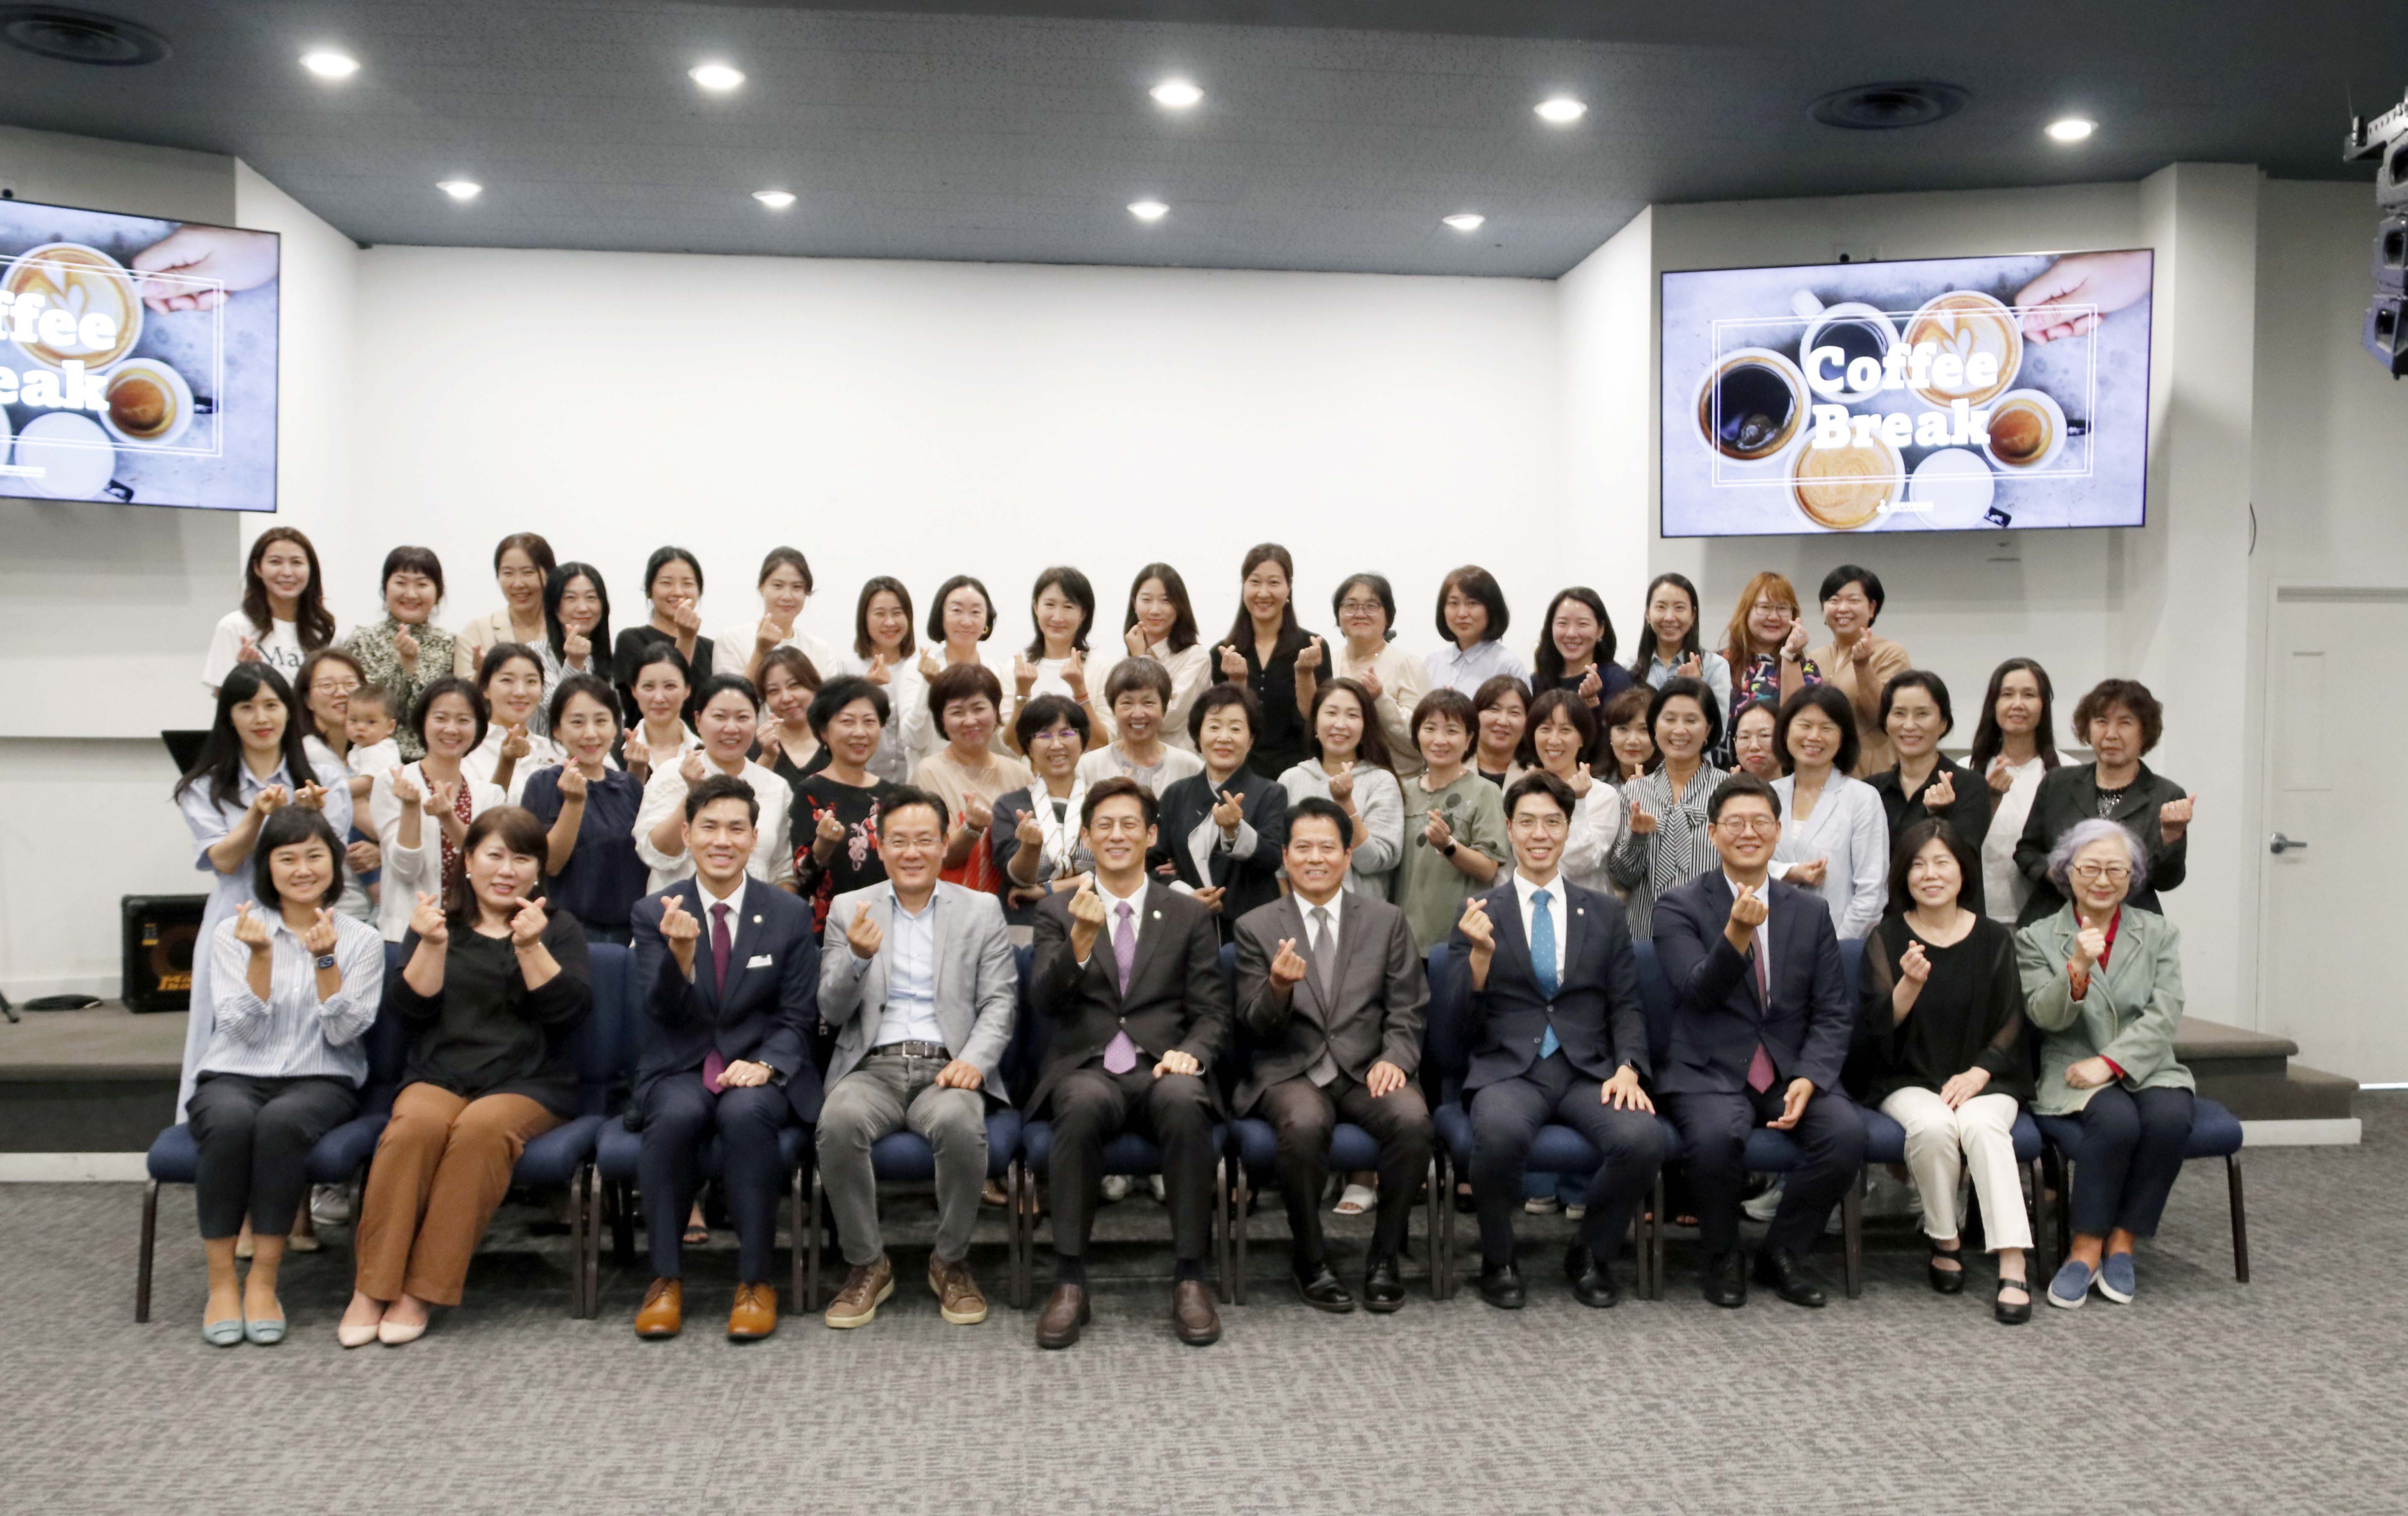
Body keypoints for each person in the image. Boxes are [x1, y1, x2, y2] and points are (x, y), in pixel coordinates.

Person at [339, 807, 591, 1347]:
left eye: (522, 858)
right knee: (413, 1128)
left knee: (480, 1130)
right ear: (469, 860)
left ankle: (421, 1290)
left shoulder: (558, 927)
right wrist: (431, 946)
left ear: (538, 870)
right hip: (440, 1072)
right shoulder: (436, 923)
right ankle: (371, 1287)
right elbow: (408, 1013)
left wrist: (530, 947)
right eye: (494, 855)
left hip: (528, 1080)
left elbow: (568, 1015)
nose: (507, 870)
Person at [1028, 779, 1233, 1349]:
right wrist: (1079, 941)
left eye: (1128, 825)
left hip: (1163, 1064)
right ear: (1088, 837)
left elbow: (1211, 1010)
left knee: (1186, 1100)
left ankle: (1191, 1275)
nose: (1116, 835)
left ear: (1150, 835)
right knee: (1079, 1102)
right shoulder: (1056, 911)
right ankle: (1069, 1279)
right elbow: (1044, 1002)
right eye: (1104, 825)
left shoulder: (1187, 914)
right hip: (1089, 1065)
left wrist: (1192, 1053)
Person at [1449, 772, 1665, 1311]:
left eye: (1552, 822)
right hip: (1510, 1068)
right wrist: (1478, 960)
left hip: (1588, 1068)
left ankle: (1591, 1252)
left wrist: (1629, 1066)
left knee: (1642, 1138)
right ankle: (1498, 1259)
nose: (1539, 834)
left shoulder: (1606, 913)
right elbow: (1454, 1022)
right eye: (1527, 822)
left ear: (1568, 829)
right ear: (1509, 829)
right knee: (1497, 1134)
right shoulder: (1479, 912)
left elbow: (1626, 1003)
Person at [1652, 773, 1865, 1309]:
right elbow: (1696, 992)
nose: (1748, 832)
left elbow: (1832, 1009)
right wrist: (1736, 935)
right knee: (1714, 1138)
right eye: (1734, 823)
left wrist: (1811, 1075)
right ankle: (1722, 1255)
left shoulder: (1809, 910)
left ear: (1776, 830)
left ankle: (1783, 1251)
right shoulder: (1678, 905)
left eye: (1760, 822)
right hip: (1708, 1065)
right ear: (1712, 833)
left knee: (1844, 1136)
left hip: (1788, 1066)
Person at [815, 786, 1018, 1331]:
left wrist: (975, 1060)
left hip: (947, 1066)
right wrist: (857, 958)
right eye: (899, 841)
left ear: (944, 844)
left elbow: (1000, 1000)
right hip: (872, 1067)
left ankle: (949, 1261)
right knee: (837, 1122)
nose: (912, 852)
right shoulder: (849, 909)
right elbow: (830, 1009)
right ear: (881, 848)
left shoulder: (980, 910)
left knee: (960, 1124)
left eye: (924, 840)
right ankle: (867, 1264)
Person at [627, 774, 822, 1342]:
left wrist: (767, 1065)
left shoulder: (787, 913)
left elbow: (798, 1014)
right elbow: (660, 1011)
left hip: (758, 1063)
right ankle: (665, 1278)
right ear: (687, 834)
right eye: (709, 827)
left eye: (736, 828)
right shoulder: (653, 910)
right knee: (676, 1114)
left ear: (755, 838)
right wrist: (680, 955)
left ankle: (756, 1281)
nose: (722, 840)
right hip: (681, 1062)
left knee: (746, 1113)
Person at [185, 806, 381, 1345]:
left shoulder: (362, 939)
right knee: (229, 1122)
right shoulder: (234, 932)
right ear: (267, 867)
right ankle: (221, 1283)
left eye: (315, 856)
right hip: (234, 1072)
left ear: (334, 863)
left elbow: (344, 1033)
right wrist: (261, 958)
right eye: (287, 858)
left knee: (280, 1123)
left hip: (320, 1078)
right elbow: (242, 1030)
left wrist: (325, 962)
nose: (302, 869)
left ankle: (263, 1282)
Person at [1233, 797, 1432, 1312]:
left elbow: (1408, 1006)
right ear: (1285, 856)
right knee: (1303, 1123)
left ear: (1347, 855)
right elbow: (1253, 1025)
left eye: (1327, 847)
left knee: (1412, 1119)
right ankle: (1310, 1257)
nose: (1315, 858)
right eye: (1303, 848)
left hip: (1367, 1066)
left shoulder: (1386, 920)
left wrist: (1396, 1057)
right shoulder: (1255, 926)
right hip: (1290, 1067)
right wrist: (1278, 988)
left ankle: (1384, 1256)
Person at [1858, 820, 2035, 1325]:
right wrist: (1908, 987)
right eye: (1917, 864)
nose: (1929, 874)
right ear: (1903, 874)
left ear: (1963, 871)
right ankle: (1945, 1238)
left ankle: (2012, 1261)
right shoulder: (1887, 935)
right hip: (1908, 1075)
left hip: (1985, 1076)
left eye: (1942, 862)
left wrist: (1980, 1072)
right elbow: (1875, 1030)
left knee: (1982, 1125)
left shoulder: (1993, 937)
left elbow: (2012, 1018)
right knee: (1933, 1125)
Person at [2017, 819, 2194, 1310]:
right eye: (2090, 867)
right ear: (2066, 871)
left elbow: (2165, 1012)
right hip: (2071, 1064)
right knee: (2115, 1120)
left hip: (2146, 1062)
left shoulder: (2158, 931)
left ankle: (2122, 1241)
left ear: (2133, 875)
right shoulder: (2036, 937)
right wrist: (2076, 967)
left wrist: (2112, 1062)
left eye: (2116, 869)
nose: (2102, 879)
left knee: (2170, 1117)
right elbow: (2042, 1016)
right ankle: (2085, 1248)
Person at [174, 665, 355, 1120]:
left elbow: (329, 864)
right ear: (228, 716)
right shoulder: (204, 785)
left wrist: (310, 818)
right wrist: (257, 815)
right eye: (247, 707)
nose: (261, 718)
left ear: (289, 712)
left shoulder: (324, 776)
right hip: (235, 926)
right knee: (222, 1034)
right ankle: (209, 1131)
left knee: (307, 1034)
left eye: (272, 705)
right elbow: (223, 860)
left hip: (306, 929)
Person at [2014, 677, 2191, 925]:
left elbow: (2167, 881)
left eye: (2125, 723)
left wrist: (2172, 837)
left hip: (2131, 927)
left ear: (2145, 732)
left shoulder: (2165, 795)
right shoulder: (2058, 783)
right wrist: (2059, 874)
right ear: (2088, 728)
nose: (2111, 735)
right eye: (2101, 722)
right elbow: (2027, 852)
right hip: (2054, 920)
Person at [368, 677, 506, 944]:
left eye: (464, 720)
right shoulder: (393, 781)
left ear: (478, 728)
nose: (451, 729)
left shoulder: (490, 794)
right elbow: (406, 870)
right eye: (441, 718)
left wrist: (447, 817)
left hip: (474, 936)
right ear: (423, 722)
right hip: (408, 935)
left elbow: (487, 864)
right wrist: (411, 807)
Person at [634, 674, 795, 894]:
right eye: (720, 717)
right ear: (698, 721)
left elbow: (782, 870)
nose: (731, 728)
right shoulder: (672, 774)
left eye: (743, 718)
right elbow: (655, 854)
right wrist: (693, 793)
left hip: (752, 911)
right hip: (677, 908)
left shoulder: (776, 786)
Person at [1157, 683, 1290, 944]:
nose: (1224, 738)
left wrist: (1235, 831)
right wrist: (1185, 895)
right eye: (1214, 727)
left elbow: (1272, 857)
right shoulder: (1175, 794)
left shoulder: (1271, 793)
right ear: (1198, 736)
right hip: (1186, 932)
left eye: (1236, 729)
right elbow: (1153, 864)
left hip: (1251, 934)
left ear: (1251, 741)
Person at [522, 674, 646, 946]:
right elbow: (550, 865)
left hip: (631, 933)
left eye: (601, 721)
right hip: (569, 935)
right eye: (577, 722)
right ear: (557, 730)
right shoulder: (544, 784)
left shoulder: (629, 786)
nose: (590, 733)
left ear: (616, 728)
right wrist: (574, 803)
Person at [1605, 678, 1727, 940]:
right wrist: (1638, 837)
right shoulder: (1634, 792)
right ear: (1655, 727)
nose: (1679, 730)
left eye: (1691, 720)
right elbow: (1622, 879)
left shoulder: (1729, 791)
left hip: (1713, 935)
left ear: (1708, 729)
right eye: (1670, 719)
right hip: (1646, 933)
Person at [1389, 689, 1507, 950]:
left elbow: (1489, 868)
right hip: (1403, 937)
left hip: (1460, 937)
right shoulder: (1402, 791)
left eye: (1452, 731)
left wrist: (1448, 846)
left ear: (1469, 740)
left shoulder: (1485, 792)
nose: (1439, 740)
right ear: (1417, 735)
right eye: (1430, 729)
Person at [1769, 684, 1887, 941]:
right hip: (1771, 942)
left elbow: (1872, 891)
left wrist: (1837, 949)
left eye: (1827, 728)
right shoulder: (1767, 795)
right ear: (1786, 730)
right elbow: (1743, 867)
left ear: (1843, 737)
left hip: (1839, 942)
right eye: (1805, 725)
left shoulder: (1862, 798)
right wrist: (1789, 872)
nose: (1814, 736)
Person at [1868, 670, 1990, 914]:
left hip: (1952, 922)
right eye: (1899, 713)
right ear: (1886, 722)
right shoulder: (1870, 791)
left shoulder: (1969, 785)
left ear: (1943, 723)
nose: (1909, 725)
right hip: (1886, 923)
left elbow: (1963, 862)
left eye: (1922, 714)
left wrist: (1937, 817)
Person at [791, 677, 905, 936]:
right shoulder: (810, 792)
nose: (860, 732)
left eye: (870, 722)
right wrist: (823, 846)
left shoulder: (893, 794)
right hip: (832, 932)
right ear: (824, 732)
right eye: (847, 722)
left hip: (890, 925)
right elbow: (800, 878)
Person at [914, 662, 1033, 897]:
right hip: (950, 902)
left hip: (1013, 904)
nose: (970, 721)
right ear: (941, 721)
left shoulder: (1020, 774)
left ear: (996, 712)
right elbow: (940, 855)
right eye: (957, 712)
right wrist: (971, 828)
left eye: (979, 709)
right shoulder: (929, 772)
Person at [1278, 678, 1404, 899]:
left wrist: (1346, 804)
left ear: (1366, 726)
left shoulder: (1382, 781)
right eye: (1331, 713)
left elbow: (1373, 862)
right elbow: (1280, 864)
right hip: (1299, 912)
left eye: (1352, 716)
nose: (1340, 724)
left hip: (1363, 914)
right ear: (1315, 723)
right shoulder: (1291, 779)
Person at [991, 695, 1095, 941]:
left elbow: (1122, 870)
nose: (1056, 745)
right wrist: (1030, 847)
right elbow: (1018, 879)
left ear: (1083, 741)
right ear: (1028, 747)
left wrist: (1048, 889)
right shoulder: (1010, 806)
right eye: (1044, 736)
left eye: (1067, 733)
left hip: (1093, 921)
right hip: (1029, 926)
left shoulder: (1103, 803)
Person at [341, 547, 457, 761]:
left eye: (422, 584)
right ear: (385, 589)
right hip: (370, 761)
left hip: (434, 760)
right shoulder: (362, 640)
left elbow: (440, 712)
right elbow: (366, 709)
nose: (411, 594)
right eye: (401, 583)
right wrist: (403, 667)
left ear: (438, 593)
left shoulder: (450, 645)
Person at [1214, 543, 1318, 779]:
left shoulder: (1311, 648)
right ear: (1244, 586)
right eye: (1255, 582)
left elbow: (1315, 719)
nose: (1263, 593)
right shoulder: (1224, 653)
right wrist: (1236, 681)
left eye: (1273, 583)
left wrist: (1305, 674)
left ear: (1289, 587)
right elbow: (1224, 725)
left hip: (1300, 774)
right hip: (1239, 774)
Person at [1969, 658, 2060, 925]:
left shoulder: (2068, 771)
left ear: (2044, 706)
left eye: (2029, 695)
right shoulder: (1966, 770)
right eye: (2007, 695)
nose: (2018, 704)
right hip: (1979, 915)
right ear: (1993, 704)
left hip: (2046, 917)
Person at [295, 648, 381, 922]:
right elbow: (374, 823)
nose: (341, 693)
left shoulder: (365, 752)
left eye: (350, 684)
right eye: (327, 686)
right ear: (308, 700)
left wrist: (382, 851)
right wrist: (391, 842)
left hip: (371, 902)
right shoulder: (309, 755)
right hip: (332, 903)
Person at [1089, 563, 1212, 753]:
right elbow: (1117, 726)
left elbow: (1167, 718)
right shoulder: (1122, 663)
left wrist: (1141, 660)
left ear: (1180, 606)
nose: (1155, 610)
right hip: (1130, 765)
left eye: (1166, 601)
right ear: (1135, 604)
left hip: (1178, 766)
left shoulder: (1196, 658)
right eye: (1146, 600)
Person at [1805, 566, 1911, 778]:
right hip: (1821, 771)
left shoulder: (1890, 653)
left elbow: (1884, 716)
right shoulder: (1813, 657)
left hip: (1872, 772)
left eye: (1853, 601)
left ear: (1872, 608)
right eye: (1834, 601)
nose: (1842, 608)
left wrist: (1863, 666)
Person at [204, 526, 334, 695]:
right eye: (275, 562)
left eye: (297, 563)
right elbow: (221, 696)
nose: (287, 573)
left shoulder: (325, 630)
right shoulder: (234, 626)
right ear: (258, 568)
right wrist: (242, 677)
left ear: (311, 569)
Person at [1323, 572, 1428, 779]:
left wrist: (1381, 699)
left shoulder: (1407, 664)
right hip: (1335, 781)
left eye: (1371, 606)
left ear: (1388, 615)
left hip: (1396, 782)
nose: (1360, 614)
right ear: (1339, 614)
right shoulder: (1328, 661)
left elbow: (1420, 739)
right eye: (1351, 606)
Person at [1522, 688, 1622, 896]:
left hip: (1586, 905)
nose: (1554, 740)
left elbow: (1580, 862)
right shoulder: (1520, 793)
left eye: (1565, 730)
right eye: (1545, 729)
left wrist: (1579, 802)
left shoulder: (1603, 796)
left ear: (1582, 738)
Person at [904, 575, 1010, 760]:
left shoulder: (999, 673)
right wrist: (929, 685)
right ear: (941, 617)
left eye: (976, 612)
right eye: (957, 611)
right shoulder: (916, 669)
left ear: (987, 622)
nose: (967, 622)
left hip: (986, 776)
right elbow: (914, 740)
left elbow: (1005, 746)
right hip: (930, 776)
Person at [828, 575, 920, 783]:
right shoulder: (847, 670)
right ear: (864, 619)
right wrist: (864, 688)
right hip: (859, 782)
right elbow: (831, 725)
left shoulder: (919, 670)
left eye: (897, 613)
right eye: (880, 614)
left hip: (913, 784)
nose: (890, 622)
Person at [1718, 571, 1821, 753]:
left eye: (1783, 608)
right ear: (1746, 611)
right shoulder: (1718, 664)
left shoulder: (1806, 668)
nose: (1774, 617)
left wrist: (1790, 654)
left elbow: (1800, 721)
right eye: (1765, 607)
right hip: (1720, 768)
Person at [711, 546, 841, 686]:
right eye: (778, 586)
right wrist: (760, 652)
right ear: (761, 587)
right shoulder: (731, 641)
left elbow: (831, 699)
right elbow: (730, 697)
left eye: (797, 587)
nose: (787, 596)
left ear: (807, 592)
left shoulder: (822, 651)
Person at [1074, 656, 1204, 795]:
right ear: (1114, 709)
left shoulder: (1190, 767)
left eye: (1148, 703)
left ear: (1164, 709)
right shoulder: (1089, 767)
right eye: (1127, 703)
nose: (1138, 714)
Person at [612, 547, 711, 728]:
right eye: (666, 583)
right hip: (646, 743)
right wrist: (686, 639)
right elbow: (644, 708)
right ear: (650, 590)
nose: (678, 592)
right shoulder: (631, 640)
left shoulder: (710, 648)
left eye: (688, 584)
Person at [1009, 565, 1105, 746]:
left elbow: (1104, 744)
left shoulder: (1103, 668)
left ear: (1083, 614)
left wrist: (1080, 690)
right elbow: (1011, 746)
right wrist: (1022, 692)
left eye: (1068, 607)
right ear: (1036, 608)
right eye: (1050, 605)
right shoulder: (1016, 669)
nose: (1058, 617)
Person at [462, 643, 563, 805]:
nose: (520, 692)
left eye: (531, 681)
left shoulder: (556, 752)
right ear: (485, 688)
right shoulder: (468, 750)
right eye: (507, 680)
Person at [1629, 572, 1732, 725]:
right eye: (1661, 607)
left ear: (1693, 616)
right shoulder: (1629, 669)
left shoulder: (1715, 667)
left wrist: (1696, 689)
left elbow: (1718, 730)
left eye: (1679, 608)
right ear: (1648, 615)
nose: (1670, 617)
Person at [452, 533, 557, 679]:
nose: (518, 584)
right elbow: (463, 691)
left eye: (528, 572)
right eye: (508, 573)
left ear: (550, 575)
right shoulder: (477, 632)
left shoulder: (566, 628)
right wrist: (481, 674)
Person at [535, 562, 611, 738]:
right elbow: (552, 712)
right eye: (571, 598)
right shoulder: (535, 655)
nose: (583, 608)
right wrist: (574, 664)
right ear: (554, 606)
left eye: (591, 598)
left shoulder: (609, 660)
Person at [1531, 586, 1633, 719]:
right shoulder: (1537, 682)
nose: (1571, 633)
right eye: (1563, 623)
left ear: (1600, 630)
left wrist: (1592, 704)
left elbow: (1617, 730)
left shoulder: (1615, 679)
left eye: (1583, 624)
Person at [1424, 565, 1526, 697]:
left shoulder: (1508, 665)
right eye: (1454, 603)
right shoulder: (1433, 662)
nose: (1462, 614)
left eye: (1472, 603)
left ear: (1492, 608)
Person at [617, 642, 699, 787]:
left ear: (687, 690)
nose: (659, 698)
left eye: (670, 686)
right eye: (648, 687)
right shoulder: (614, 754)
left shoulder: (704, 751)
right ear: (634, 691)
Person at [754, 645, 825, 789]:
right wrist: (767, 758)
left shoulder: (837, 740)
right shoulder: (760, 745)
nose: (786, 698)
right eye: (774, 691)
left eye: (794, 685)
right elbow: (748, 797)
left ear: (814, 686)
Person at [1471, 675, 1532, 788]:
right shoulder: (1451, 767)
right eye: (1494, 709)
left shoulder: (1535, 777)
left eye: (1514, 713)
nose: (1503, 722)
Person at [1600, 685, 1653, 786]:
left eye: (1644, 729)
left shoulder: (1675, 783)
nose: (1632, 741)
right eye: (1623, 729)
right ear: (1610, 735)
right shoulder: (1594, 785)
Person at [1728, 697, 1782, 784]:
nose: (1754, 746)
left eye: (1765, 735)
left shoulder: (1797, 789)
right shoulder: (1722, 788)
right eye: (1745, 737)